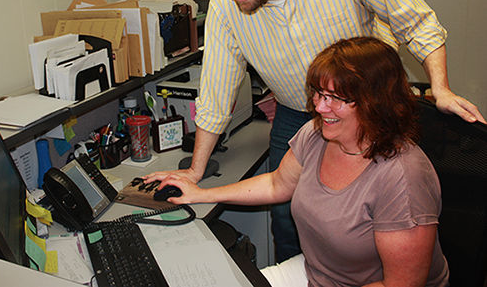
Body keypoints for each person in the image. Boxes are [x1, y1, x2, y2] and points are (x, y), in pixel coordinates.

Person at [145, 0, 485, 263]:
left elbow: (417, 24)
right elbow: (216, 91)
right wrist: (196, 170)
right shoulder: (226, 5)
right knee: (286, 217)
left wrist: (441, 88)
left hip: (367, 111)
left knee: (378, 213)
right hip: (298, 114)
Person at [160, 37, 450, 286]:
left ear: (375, 102)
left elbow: (401, 284)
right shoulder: (317, 134)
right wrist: (202, 195)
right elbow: (277, 184)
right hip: (319, 275)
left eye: (334, 98)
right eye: (319, 93)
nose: (320, 107)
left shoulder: (402, 176)